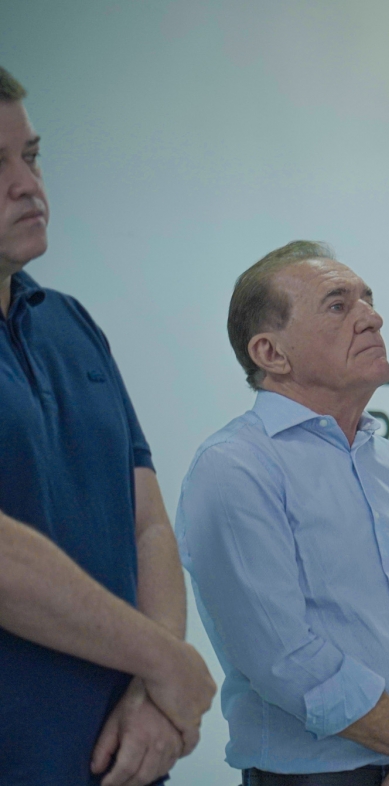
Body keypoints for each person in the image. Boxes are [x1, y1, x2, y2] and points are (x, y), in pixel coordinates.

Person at [176, 241, 389, 786]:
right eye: (338, 305)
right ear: (271, 353)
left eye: (368, 300)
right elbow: (285, 658)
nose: (371, 318)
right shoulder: (234, 468)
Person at [0, 65, 215, 786]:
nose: (28, 186)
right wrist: (165, 661)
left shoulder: (70, 323)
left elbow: (147, 521)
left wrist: (153, 696)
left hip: (125, 758)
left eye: (31, 157)